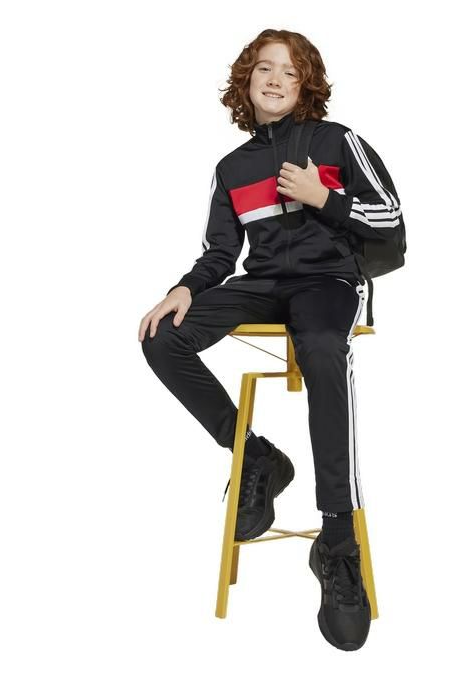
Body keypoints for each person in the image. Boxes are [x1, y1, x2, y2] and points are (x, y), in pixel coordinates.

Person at [139, 28, 405, 651]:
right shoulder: (232, 168)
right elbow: (220, 253)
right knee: (161, 337)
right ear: (247, 81)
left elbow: (391, 217)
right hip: (263, 284)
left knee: (321, 347)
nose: (276, 78)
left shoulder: (337, 140)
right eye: (265, 68)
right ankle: (256, 456)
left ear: (306, 83)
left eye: (290, 70)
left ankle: (337, 539)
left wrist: (324, 198)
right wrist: (184, 287)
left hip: (329, 281)